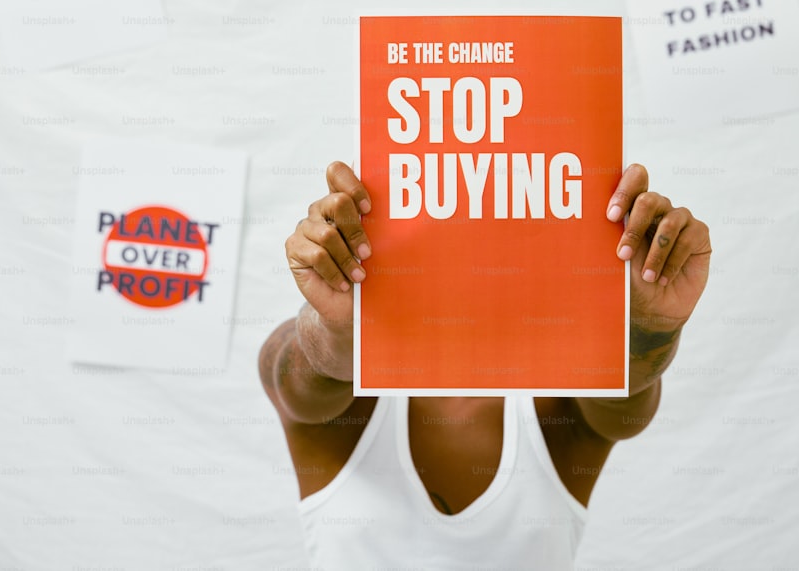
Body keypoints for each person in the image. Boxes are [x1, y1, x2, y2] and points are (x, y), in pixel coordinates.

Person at [259, 161, 712, 570]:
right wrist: (342, 330)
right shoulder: (351, 388)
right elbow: (302, 380)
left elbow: (625, 394)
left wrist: (647, 326)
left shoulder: (555, 385)